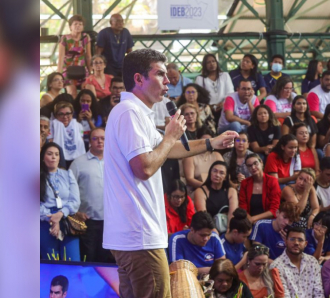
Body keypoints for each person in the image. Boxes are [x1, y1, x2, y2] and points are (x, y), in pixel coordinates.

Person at [102, 49, 238, 298]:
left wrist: (212, 143)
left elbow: (171, 149)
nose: (168, 81)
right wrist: (170, 135)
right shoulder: (129, 113)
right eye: (160, 74)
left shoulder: (136, 112)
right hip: (140, 235)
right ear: (139, 79)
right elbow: (144, 167)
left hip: (133, 235)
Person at [69, 128, 112, 262]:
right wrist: (75, 212)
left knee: (109, 261)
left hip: (112, 221)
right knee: (89, 260)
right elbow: (68, 191)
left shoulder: (115, 161)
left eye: (103, 138)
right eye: (95, 138)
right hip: (88, 222)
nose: (100, 141)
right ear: (89, 142)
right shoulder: (78, 163)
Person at [40, 142, 81, 261]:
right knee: (50, 261)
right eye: (50, 154)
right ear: (43, 157)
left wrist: (60, 215)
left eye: (56, 154)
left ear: (59, 158)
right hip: (44, 223)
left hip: (67, 220)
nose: (53, 157)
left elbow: (75, 201)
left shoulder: (68, 174)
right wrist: (52, 219)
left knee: (72, 260)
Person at [269, 226, 325, 298]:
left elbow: (319, 292)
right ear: (285, 241)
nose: (296, 243)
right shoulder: (276, 266)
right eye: (292, 239)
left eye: (300, 240)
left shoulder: (312, 262)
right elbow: (284, 296)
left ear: (305, 244)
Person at [192, 161, 238, 233]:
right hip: (207, 227)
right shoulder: (200, 191)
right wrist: (213, 230)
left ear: (226, 177)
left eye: (221, 173)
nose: (217, 175)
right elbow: (204, 215)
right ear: (210, 173)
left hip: (227, 226)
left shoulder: (231, 191)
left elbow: (232, 214)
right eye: (215, 171)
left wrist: (229, 230)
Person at [239, 153, 282, 223]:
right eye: (249, 166)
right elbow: (243, 207)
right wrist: (250, 220)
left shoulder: (272, 181)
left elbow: (274, 210)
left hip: (269, 221)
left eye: (255, 163)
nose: (253, 167)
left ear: (261, 162)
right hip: (249, 222)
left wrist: (253, 219)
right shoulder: (245, 183)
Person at [57, 15, 91, 95]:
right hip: (68, 70)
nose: (78, 26)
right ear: (70, 27)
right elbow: (61, 57)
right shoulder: (65, 38)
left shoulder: (86, 37)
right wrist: (59, 74)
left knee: (88, 89)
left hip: (82, 69)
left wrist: (90, 73)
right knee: (72, 90)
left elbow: (88, 56)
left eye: (80, 24)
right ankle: (72, 107)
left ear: (83, 27)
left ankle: (85, 107)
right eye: (75, 24)